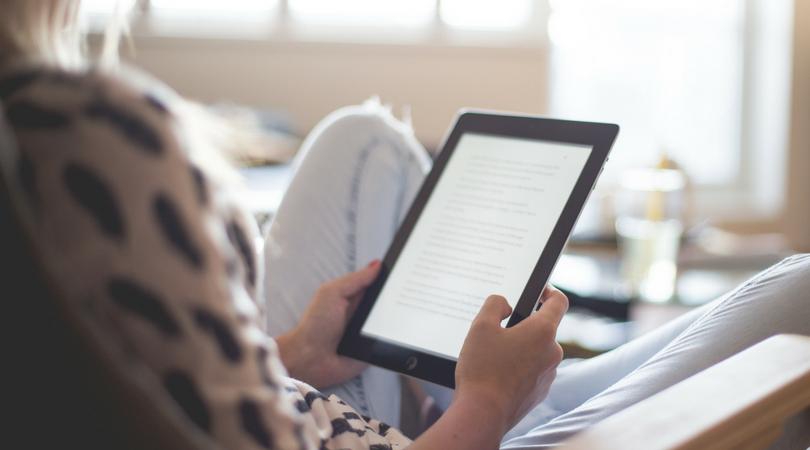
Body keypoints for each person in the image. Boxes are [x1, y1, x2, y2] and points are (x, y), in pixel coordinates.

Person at [0, 2, 808, 450]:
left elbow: (178, 388)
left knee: (365, 140)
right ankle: (508, 395)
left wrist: (293, 355)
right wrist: (482, 410)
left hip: (327, 403)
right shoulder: (78, 133)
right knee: (803, 292)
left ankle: (484, 383)